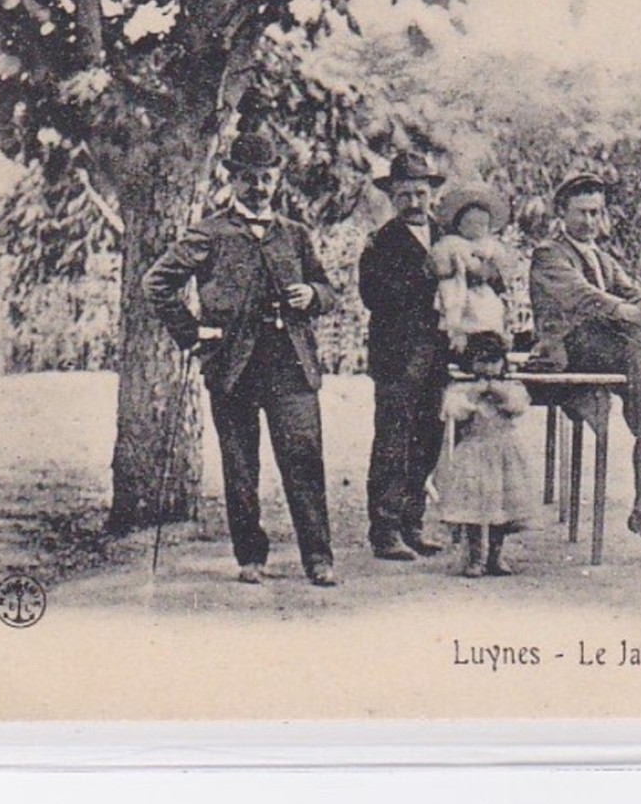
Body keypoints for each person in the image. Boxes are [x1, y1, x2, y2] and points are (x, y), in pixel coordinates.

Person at [142, 132, 338, 587]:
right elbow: (157, 283)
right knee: (240, 465)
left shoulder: (296, 235)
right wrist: (190, 333)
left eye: (267, 177)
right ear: (232, 179)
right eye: (248, 178)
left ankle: (319, 559)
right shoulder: (209, 233)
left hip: (291, 365)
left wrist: (312, 295)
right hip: (234, 367)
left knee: (304, 459)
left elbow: (328, 291)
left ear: (278, 178)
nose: (259, 186)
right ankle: (250, 556)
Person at [527, 171, 641, 562]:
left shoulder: (601, 255)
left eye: (596, 212)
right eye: (581, 212)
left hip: (613, 350)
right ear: (561, 212)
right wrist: (630, 311)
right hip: (568, 351)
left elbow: (629, 289)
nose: (590, 221)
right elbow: (583, 297)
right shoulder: (550, 253)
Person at [359, 152, 450, 562]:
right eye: (403, 196)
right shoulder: (381, 243)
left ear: (432, 193)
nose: (413, 203)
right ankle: (385, 531)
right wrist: (425, 279)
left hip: (441, 355)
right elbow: (373, 296)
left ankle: (414, 524)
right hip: (398, 355)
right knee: (393, 441)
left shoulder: (450, 237)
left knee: (429, 439)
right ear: (391, 198)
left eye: (420, 193)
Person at [437, 332, 537, 578]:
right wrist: (474, 395)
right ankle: (474, 557)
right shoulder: (463, 387)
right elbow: (453, 410)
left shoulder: (510, 386)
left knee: (500, 509)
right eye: (481, 361)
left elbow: (519, 405)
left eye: (494, 361)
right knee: (474, 510)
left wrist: (500, 394)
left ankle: (495, 556)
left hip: (504, 453)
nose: (488, 367)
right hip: (474, 452)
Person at [433, 184, 514, 352]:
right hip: (460, 285)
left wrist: (493, 267)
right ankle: (460, 337)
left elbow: (502, 265)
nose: (477, 228)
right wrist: (472, 264)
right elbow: (446, 263)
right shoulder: (453, 243)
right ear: (460, 226)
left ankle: (492, 336)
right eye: (470, 223)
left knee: (490, 308)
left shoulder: (490, 245)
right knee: (460, 308)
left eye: (482, 224)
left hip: (484, 289)